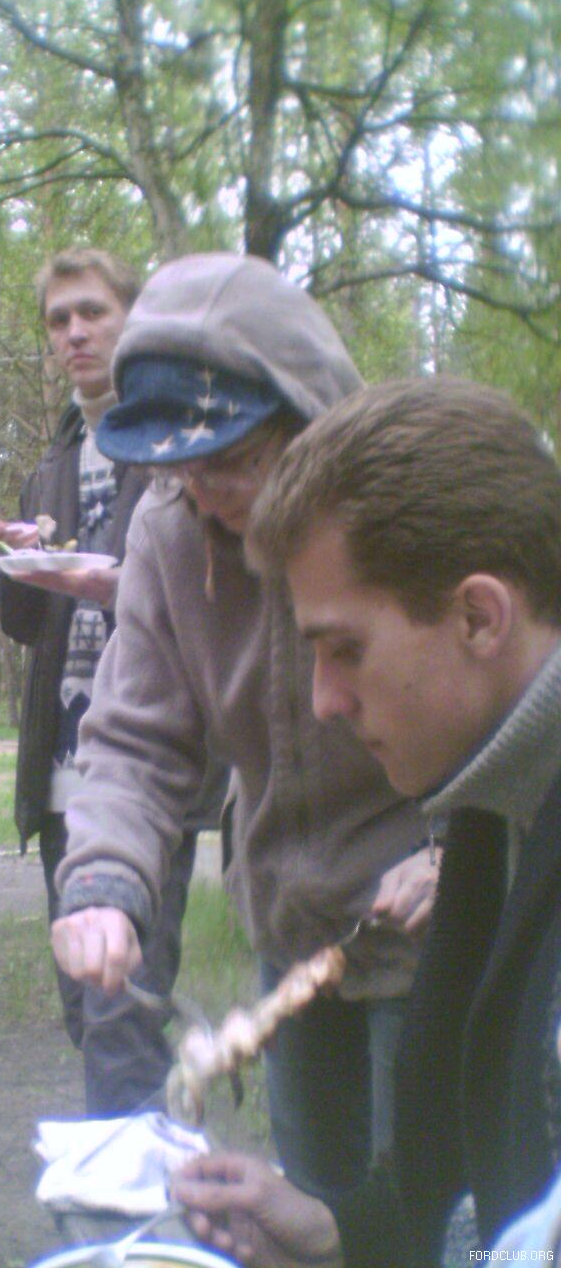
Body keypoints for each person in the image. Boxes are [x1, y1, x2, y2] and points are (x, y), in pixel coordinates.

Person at [50, 252, 434, 1204]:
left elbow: (511, 702)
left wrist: (459, 845)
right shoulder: (169, 533)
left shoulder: (413, 511)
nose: (202, 490)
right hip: (292, 933)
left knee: (438, 1212)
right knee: (317, 1205)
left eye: (230, 459)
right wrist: (106, 883)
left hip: (430, 927)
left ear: (306, 418)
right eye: (178, 464)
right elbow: (135, 740)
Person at [172, 375, 561, 1267]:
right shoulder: (493, 802)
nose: (325, 701)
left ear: (478, 617)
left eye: (345, 649)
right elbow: (490, 1188)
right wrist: (341, 1234)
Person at [0, 247, 217, 1116]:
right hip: (61, 767)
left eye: (93, 312)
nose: (75, 332)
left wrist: (123, 584)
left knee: (122, 1011)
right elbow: (25, 627)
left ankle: (132, 1184)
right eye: (59, 319)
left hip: (147, 763)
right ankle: (146, 1144)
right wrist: (19, 562)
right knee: (88, 1007)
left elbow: (208, 601)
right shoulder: (51, 463)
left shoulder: (174, 444)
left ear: (131, 318)